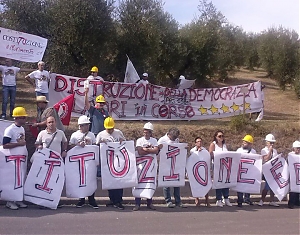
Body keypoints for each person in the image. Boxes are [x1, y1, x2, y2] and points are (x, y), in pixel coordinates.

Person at [96, 117, 126, 210]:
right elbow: (96, 146)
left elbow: (125, 143)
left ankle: (118, 200)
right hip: (107, 161)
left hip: (118, 160)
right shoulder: (101, 134)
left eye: (111, 128)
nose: (110, 130)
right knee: (110, 181)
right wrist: (101, 143)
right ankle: (112, 199)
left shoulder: (118, 132)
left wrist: (122, 141)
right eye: (108, 129)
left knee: (118, 181)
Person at [69, 115, 98, 209]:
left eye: (88, 125)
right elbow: (70, 147)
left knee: (90, 178)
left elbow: (95, 147)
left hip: (89, 162)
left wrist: (90, 144)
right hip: (79, 162)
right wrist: (78, 145)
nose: (87, 127)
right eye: (85, 125)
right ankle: (81, 199)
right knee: (80, 179)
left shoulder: (92, 135)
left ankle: (91, 199)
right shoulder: (75, 135)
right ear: (80, 126)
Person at [2, 107, 28, 210]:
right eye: (23, 117)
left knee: (20, 178)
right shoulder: (9, 130)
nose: (25, 120)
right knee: (12, 179)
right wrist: (18, 144)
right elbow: (5, 145)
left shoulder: (21, 128)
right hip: (12, 160)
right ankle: (9, 200)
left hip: (21, 158)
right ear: (17, 118)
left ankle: (17, 199)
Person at [132, 122, 159, 211]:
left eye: (147, 132)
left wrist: (146, 149)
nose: (145, 133)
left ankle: (149, 203)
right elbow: (139, 151)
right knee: (139, 184)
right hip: (141, 166)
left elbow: (156, 150)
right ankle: (137, 203)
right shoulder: (140, 140)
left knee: (149, 183)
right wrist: (150, 150)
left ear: (151, 133)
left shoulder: (154, 140)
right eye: (144, 132)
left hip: (150, 167)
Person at [158, 127, 187, 208]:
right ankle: (168, 200)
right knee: (166, 183)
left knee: (177, 183)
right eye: (173, 137)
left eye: (176, 137)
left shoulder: (176, 140)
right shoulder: (162, 140)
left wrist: (183, 149)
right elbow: (158, 152)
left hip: (175, 164)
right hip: (165, 164)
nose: (175, 139)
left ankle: (178, 201)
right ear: (169, 134)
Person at [209, 130, 232, 207]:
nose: (221, 137)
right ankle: (218, 199)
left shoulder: (224, 145)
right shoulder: (213, 144)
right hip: (216, 166)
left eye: (222, 136)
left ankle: (226, 198)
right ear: (216, 137)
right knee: (218, 182)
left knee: (226, 182)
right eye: (219, 136)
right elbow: (210, 154)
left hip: (225, 166)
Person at [258, 134, 279, 207]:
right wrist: (270, 151)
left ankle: (272, 200)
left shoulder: (275, 151)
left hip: (273, 171)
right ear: (267, 142)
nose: (272, 144)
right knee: (267, 186)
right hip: (266, 170)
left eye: (273, 143)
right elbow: (266, 158)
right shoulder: (263, 150)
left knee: (273, 186)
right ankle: (262, 200)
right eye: (270, 142)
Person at [236, 135, 257, 207]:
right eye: (243, 142)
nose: (243, 143)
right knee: (240, 186)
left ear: (250, 144)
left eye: (245, 142)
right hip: (240, 171)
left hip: (249, 172)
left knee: (248, 185)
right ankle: (240, 200)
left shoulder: (253, 152)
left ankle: (247, 198)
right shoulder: (239, 150)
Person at [190, 137, 211, 207]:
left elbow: (207, 159)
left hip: (203, 170)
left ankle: (207, 201)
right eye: (198, 141)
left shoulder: (205, 150)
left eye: (200, 141)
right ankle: (197, 200)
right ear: (195, 143)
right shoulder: (192, 151)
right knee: (195, 185)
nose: (199, 143)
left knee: (205, 185)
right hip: (195, 170)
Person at [288, 140, 300, 209]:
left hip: (298, 174)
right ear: (293, 148)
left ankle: (297, 201)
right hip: (292, 174)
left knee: (298, 188)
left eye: (299, 148)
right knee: (292, 189)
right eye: (297, 148)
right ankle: (291, 202)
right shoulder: (290, 155)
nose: (298, 149)